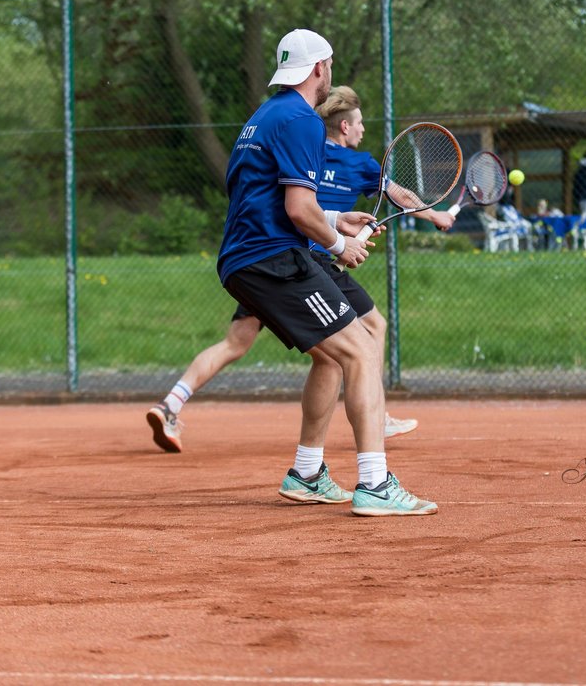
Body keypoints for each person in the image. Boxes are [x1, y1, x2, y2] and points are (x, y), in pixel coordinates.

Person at [168, 28, 437, 516]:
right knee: (362, 348)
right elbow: (296, 209)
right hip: (272, 258)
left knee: (331, 358)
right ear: (320, 69)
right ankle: (375, 484)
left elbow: (271, 198)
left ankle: (307, 472)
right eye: (329, 64)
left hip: (250, 257)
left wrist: (336, 219)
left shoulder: (263, 117)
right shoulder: (302, 121)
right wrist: (340, 244)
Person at [148, 85, 450, 452]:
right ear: (344, 127)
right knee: (369, 333)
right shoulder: (360, 163)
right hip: (295, 263)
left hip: (265, 260)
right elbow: (398, 196)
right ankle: (375, 423)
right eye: (358, 124)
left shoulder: (298, 140)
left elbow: (285, 199)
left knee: (238, 343)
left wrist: (336, 222)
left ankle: (171, 404)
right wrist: (435, 214)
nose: (362, 130)